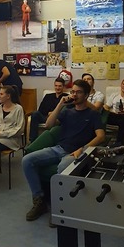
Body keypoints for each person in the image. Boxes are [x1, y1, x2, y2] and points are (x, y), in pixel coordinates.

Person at [22, 79, 106, 221]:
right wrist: (60, 104)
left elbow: (101, 136)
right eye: (73, 92)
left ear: (86, 95)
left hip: (77, 153)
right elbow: (48, 125)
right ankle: (39, 200)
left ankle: (60, 207)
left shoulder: (93, 114)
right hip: (59, 149)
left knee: (62, 167)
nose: (74, 95)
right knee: (27, 160)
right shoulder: (68, 112)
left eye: (79, 92)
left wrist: (83, 149)